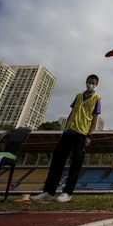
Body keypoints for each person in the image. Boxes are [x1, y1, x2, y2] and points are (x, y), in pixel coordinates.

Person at [31, 74, 101, 203]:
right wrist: (65, 129)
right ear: (86, 82)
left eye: (93, 83)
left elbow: (95, 117)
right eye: (89, 82)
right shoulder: (79, 96)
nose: (90, 84)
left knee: (76, 163)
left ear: (96, 85)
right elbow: (72, 111)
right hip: (68, 131)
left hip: (82, 132)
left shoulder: (96, 98)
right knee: (57, 160)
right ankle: (48, 192)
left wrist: (89, 135)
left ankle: (67, 192)